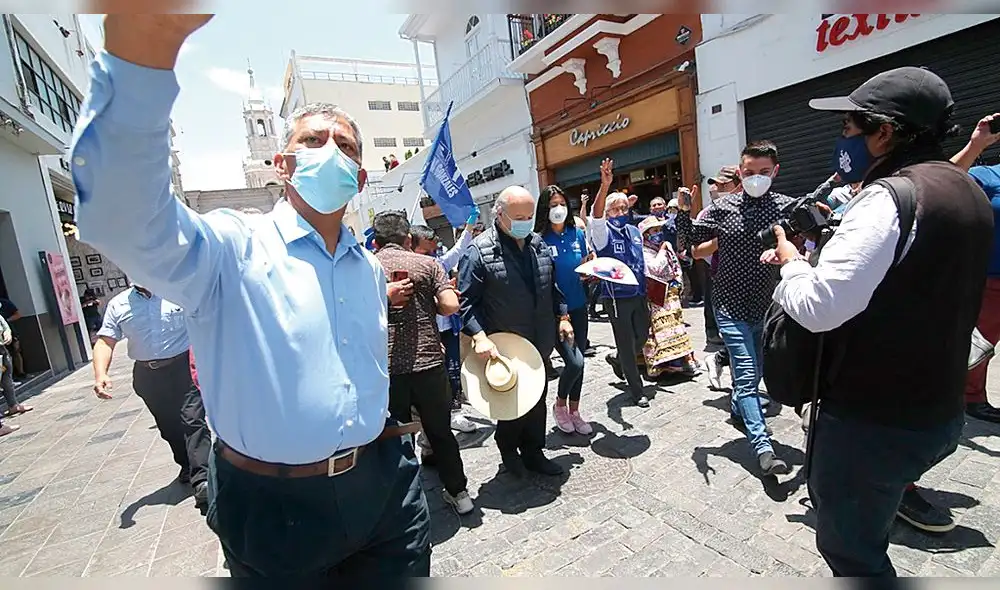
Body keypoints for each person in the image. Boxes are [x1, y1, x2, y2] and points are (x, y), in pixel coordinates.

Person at [73, 14, 429, 578]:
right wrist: (138, 63)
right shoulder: (231, 248)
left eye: (345, 146)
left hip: (385, 488)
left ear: (361, 178)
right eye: (313, 141)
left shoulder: (364, 268)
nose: (330, 151)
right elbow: (123, 219)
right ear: (282, 164)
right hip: (272, 508)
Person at [766, 67, 993, 578]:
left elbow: (824, 305)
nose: (842, 140)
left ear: (884, 132)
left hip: (872, 419)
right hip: (936, 409)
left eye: (849, 128)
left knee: (854, 555)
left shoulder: (888, 198)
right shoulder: (968, 190)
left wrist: (791, 264)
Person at [676, 141, 793, 477]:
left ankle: (741, 409)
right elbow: (690, 245)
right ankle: (764, 448)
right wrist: (683, 212)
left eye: (764, 172)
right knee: (745, 374)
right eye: (749, 172)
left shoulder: (784, 208)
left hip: (765, 308)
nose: (756, 178)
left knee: (754, 373)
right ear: (740, 172)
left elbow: (803, 235)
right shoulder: (722, 208)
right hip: (728, 305)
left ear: (775, 172)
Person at [458, 185, 571, 477]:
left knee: (537, 401)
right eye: (518, 216)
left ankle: (534, 452)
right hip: (505, 346)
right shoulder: (478, 251)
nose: (525, 222)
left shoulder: (538, 244)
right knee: (511, 404)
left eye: (530, 216)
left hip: (539, 342)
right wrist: (479, 336)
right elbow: (465, 303)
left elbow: (552, 287)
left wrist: (563, 316)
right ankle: (508, 451)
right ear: (500, 214)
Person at [372, 211, 473, 515]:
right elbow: (450, 305)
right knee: (440, 431)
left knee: (396, 435)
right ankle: (459, 492)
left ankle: (403, 500)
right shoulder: (429, 264)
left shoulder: (365, 268)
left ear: (376, 241)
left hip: (386, 368)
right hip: (428, 362)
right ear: (408, 239)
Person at [92, 285, 211, 511]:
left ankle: (202, 479)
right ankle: (187, 464)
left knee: (192, 420)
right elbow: (106, 340)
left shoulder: (178, 292)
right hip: (148, 375)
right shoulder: (118, 304)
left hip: (183, 367)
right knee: (169, 427)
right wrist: (101, 375)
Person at [588, 159, 652, 408]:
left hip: (639, 293)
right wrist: (605, 187)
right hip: (616, 297)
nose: (620, 213)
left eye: (624, 209)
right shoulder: (603, 233)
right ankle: (637, 390)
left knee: (643, 336)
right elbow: (595, 214)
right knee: (627, 344)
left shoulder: (634, 231)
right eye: (615, 209)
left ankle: (617, 359)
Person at [951, 112, 1000, 424]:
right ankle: (971, 397)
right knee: (980, 343)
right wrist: (975, 145)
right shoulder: (988, 176)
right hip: (990, 280)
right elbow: (944, 180)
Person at [411, 217, 479, 434]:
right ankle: (434, 420)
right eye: (427, 248)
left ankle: (455, 411)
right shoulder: (405, 270)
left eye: (433, 248)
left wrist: (470, 225)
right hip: (425, 333)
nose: (433, 251)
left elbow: (459, 249)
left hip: (447, 328)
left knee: (453, 369)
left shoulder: (438, 264)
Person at [536, 185, 592, 435]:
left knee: (581, 364)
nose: (558, 209)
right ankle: (560, 404)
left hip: (580, 305)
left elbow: (582, 264)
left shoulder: (576, 233)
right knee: (574, 362)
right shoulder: (537, 240)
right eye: (552, 205)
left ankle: (575, 410)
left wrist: (591, 272)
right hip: (556, 313)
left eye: (561, 204)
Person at [637, 217, 698, 379]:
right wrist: (664, 250)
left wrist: (678, 283)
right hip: (658, 296)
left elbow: (675, 266)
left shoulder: (664, 247)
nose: (658, 234)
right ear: (646, 234)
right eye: (654, 231)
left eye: (659, 230)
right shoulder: (644, 251)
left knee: (676, 328)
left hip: (672, 295)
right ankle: (665, 365)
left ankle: (681, 361)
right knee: (662, 331)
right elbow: (655, 268)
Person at [1, 312, 27, 432]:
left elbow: (4, 323)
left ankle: (13, 405)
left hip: (1, 349)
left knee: (7, 378)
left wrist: (7, 332)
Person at [0, 297, 26, 380]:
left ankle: (20, 372)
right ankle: (7, 377)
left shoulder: (4, 303)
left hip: (10, 331)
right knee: (4, 358)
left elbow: (18, 314)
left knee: (15, 351)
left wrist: (6, 321)